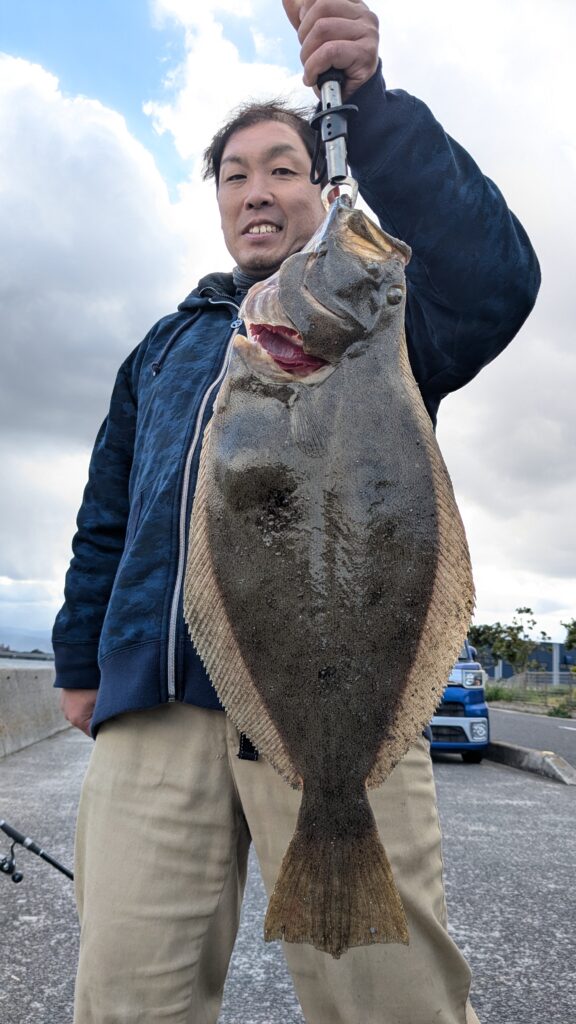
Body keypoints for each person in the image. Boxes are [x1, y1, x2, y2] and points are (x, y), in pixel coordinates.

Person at [53, 1, 540, 1021]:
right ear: (219, 204)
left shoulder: (385, 317)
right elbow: (108, 519)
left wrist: (369, 102)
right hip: (156, 705)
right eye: (235, 175)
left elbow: (501, 278)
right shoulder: (166, 346)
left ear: (321, 189)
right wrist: (79, 660)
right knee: (125, 1000)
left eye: (282, 167)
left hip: (348, 716)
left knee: (392, 1003)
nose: (257, 190)